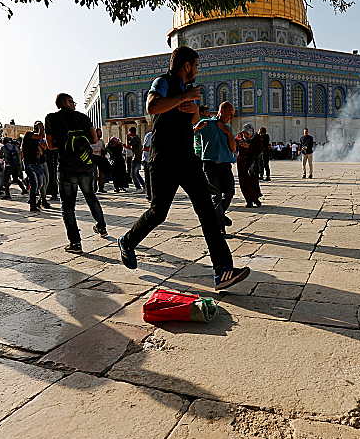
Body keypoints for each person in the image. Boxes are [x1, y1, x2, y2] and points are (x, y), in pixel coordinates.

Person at [117, 46, 250, 290]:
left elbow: (191, 122)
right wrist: (184, 98)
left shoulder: (187, 91)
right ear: (186, 65)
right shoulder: (164, 82)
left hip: (187, 160)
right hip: (164, 160)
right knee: (158, 213)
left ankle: (223, 270)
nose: (197, 71)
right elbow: (152, 107)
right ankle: (128, 241)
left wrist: (194, 110)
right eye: (196, 66)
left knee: (207, 212)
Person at [45, 93, 108, 253]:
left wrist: (65, 146)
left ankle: (75, 243)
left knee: (68, 206)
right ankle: (101, 227)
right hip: (85, 165)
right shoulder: (83, 117)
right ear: (67, 102)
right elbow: (94, 140)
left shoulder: (51, 118)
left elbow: (50, 146)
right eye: (73, 102)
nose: (74, 105)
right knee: (91, 197)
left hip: (66, 166)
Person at [195, 101, 237, 234]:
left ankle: (219, 215)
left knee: (229, 193)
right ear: (222, 112)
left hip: (225, 165)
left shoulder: (227, 128)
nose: (232, 117)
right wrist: (196, 128)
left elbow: (233, 148)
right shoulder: (207, 124)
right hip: (210, 165)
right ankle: (219, 227)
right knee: (216, 196)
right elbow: (189, 134)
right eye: (230, 114)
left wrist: (228, 133)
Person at [236, 123, 263, 207]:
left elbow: (259, 150)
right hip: (241, 163)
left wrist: (249, 147)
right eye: (244, 133)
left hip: (252, 164)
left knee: (253, 182)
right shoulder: (239, 137)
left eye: (247, 133)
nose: (245, 135)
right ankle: (249, 200)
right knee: (243, 183)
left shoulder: (257, 138)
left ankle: (255, 198)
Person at [22, 122, 46, 212]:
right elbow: (41, 135)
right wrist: (40, 125)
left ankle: (34, 199)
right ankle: (33, 204)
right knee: (34, 184)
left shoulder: (36, 140)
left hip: (36, 163)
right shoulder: (28, 134)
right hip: (29, 163)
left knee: (40, 183)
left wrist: (38, 152)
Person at [127, 127, 145, 191]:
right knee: (136, 173)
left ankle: (138, 187)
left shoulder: (136, 138)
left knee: (133, 174)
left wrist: (127, 138)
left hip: (136, 158)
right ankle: (144, 186)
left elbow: (129, 145)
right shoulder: (136, 138)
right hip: (137, 157)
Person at [142, 130, 152, 201]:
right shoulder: (149, 135)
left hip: (157, 160)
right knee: (148, 179)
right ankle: (149, 195)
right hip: (147, 160)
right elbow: (145, 148)